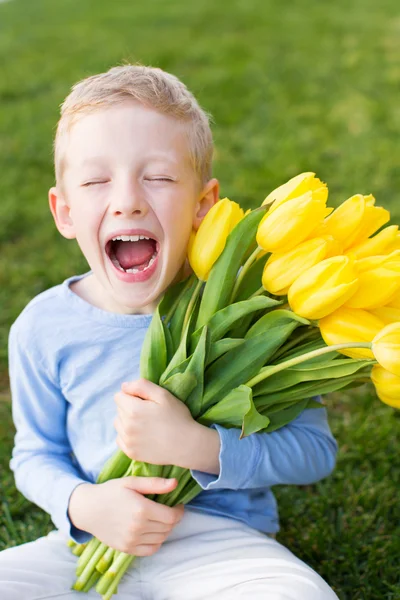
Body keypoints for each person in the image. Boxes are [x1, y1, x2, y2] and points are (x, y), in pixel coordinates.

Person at [0, 64, 339, 600]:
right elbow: (35, 455)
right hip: (88, 540)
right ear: (64, 211)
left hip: (223, 545)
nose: (128, 199)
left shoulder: (254, 315)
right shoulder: (44, 326)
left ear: (204, 206)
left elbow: (313, 451)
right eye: (95, 180)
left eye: (156, 177)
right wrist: (84, 505)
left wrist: (198, 446)